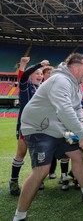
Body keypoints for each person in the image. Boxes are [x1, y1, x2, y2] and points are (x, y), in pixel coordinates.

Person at [13, 53, 83, 221]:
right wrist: (82, 136)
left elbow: (77, 107)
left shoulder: (76, 83)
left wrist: (81, 123)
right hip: (38, 129)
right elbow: (64, 109)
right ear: (76, 68)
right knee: (41, 170)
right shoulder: (61, 81)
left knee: (77, 155)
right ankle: (19, 216)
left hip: (57, 128)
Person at [9, 57, 49, 196]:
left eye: (41, 73)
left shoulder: (42, 89)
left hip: (39, 126)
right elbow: (24, 75)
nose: (39, 75)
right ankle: (13, 181)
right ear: (30, 75)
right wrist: (37, 64)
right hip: (25, 125)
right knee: (21, 153)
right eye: (36, 73)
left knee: (37, 154)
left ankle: (38, 180)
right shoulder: (26, 87)